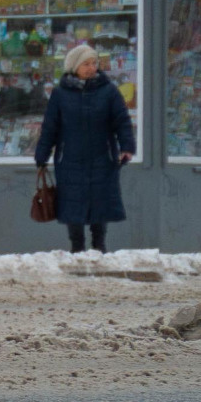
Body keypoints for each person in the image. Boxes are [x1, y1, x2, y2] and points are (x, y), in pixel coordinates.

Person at [34, 41, 136, 253]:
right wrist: (42, 155)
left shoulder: (109, 91)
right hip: (70, 159)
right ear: (74, 67)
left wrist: (126, 147)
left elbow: (122, 121)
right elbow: (50, 127)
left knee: (100, 201)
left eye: (94, 63)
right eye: (86, 64)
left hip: (103, 157)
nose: (91, 68)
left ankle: (99, 245)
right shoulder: (60, 94)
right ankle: (77, 247)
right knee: (72, 203)